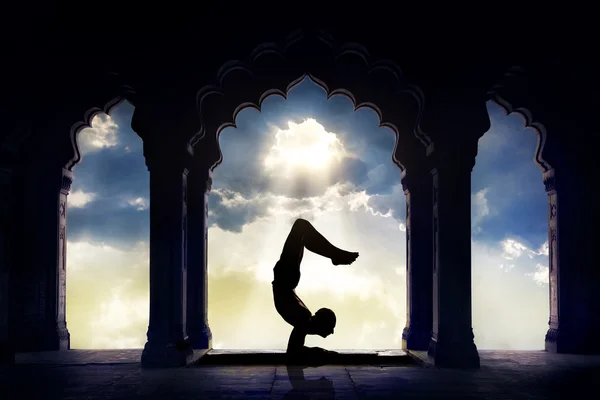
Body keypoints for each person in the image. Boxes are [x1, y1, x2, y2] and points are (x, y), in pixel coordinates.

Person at [272, 218, 359, 363]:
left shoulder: (302, 319)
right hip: (286, 278)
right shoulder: (303, 318)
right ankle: (335, 255)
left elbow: (293, 352)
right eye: (331, 328)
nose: (330, 333)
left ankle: (335, 255)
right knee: (301, 228)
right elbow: (294, 351)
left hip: (285, 278)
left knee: (301, 227)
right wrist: (325, 354)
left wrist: (323, 354)